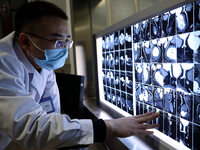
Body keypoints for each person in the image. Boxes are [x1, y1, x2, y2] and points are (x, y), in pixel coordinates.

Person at [0, 1, 160, 150]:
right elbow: (31, 128)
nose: (63, 50)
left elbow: (51, 115)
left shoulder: (41, 62)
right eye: (57, 42)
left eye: (67, 42)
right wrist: (109, 127)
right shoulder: (3, 63)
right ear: (25, 41)